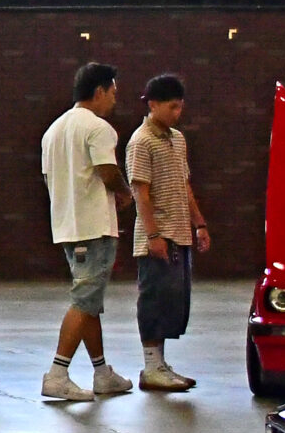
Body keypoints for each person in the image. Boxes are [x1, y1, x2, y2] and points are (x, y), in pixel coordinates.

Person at [39, 61, 134, 403]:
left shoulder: (53, 130)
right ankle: (57, 374)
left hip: (67, 226)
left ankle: (101, 372)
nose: (115, 100)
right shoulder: (98, 128)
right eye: (113, 93)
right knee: (84, 301)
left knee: (90, 301)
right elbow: (107, 170)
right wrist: (125, 193)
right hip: (93, 227)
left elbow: (48, 178)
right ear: (99, 91)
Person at [128, 73, 211, 393]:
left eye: (180, 107)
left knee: (173, 303)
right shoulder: (141, 141)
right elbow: (140, 193)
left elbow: (184, 185)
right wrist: (153, 236)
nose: (177, 113)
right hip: (157, 235)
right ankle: (151, 366)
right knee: (153, 299)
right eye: (171, 107)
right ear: (153, 104)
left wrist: (199, 224)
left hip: (180, 233)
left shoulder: (177, 139)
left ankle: (161, 364)